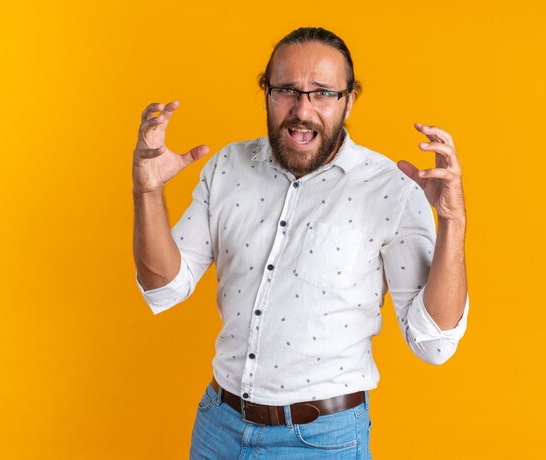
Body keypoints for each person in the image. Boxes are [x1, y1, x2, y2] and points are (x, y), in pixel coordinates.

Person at [132, 27, 469, 459]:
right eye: (287, 90)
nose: (302, 109)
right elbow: (164, 285)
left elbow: (435, 343)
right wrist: (147, 192)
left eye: (323, 93)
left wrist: (452, 221)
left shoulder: (392, 190)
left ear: (351, 99)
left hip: (322, 442)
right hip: (218, 427)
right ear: (266, 92)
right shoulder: (227, 168)